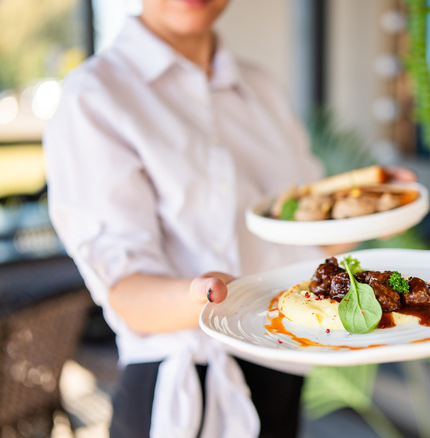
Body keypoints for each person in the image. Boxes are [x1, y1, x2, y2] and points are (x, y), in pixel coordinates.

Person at [42, 1, 342, 437]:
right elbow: (126, 292)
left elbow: (310, 237)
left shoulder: (261, 89)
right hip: (179, 388)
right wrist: (208, 294)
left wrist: (376, 216)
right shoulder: (95, 95)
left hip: (282, 370)